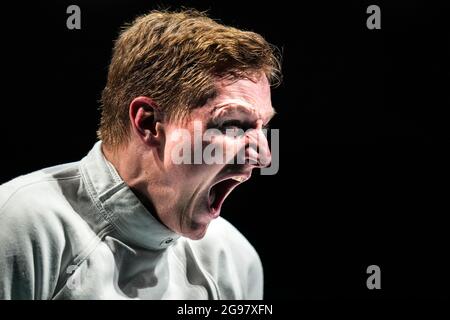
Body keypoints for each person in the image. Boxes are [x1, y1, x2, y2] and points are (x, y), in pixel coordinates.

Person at [0, 9, 281, 300]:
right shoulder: (18, 227)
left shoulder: (233, 260)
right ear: (148, 122)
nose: (264, 157)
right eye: (233, 124)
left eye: (264, 126)